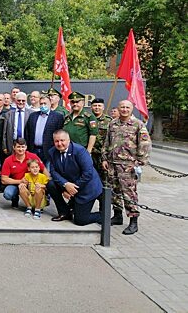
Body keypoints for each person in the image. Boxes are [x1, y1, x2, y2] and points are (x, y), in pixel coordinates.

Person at [102, 100, 151, 235]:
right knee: (114, 192)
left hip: (128, 166)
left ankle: (133, 222)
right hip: (112, 164)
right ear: (118, 108)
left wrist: (139, 163)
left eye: (127, 107)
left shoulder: (138, 124)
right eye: (122, 107)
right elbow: (107, 142)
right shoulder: (113, 123)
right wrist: (105, 158)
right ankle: (117, 216)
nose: (124, 109)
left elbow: (145, 145)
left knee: (129, 193)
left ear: (132, 109)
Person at [47, 130, 102, 225]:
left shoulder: (80, 151)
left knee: (80, 220)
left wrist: (71, 190)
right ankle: (64, 212)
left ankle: (102, 216)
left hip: (86, 188)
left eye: (62, 140)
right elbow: (53, 172)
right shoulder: (52, 152)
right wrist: (65, 184)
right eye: (56, 141)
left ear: (68, 140)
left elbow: (87, 174)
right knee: (51, 184)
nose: (59, 144)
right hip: (69, 183)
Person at [1, 138, 48, 209]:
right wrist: (20, 181)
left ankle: (36, 205)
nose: (21, 149)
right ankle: (15, 199)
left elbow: (44, 169)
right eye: (18, 147)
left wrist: (47, 183)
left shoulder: (33, 156)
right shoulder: (8, 160)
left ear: (26, 147)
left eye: (23, 147)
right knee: (8, 194)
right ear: (14, 147)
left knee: (41, 188)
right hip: (16, 183)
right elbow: (4, 180)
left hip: (32, 183)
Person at [24, 95, 64, 166]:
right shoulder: (33, 115)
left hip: (49, 151)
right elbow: (27, 132)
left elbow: (59, 134)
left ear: (50, 103)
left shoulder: (58, 117)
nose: (43, 105)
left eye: (45, 103)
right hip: (34, 150)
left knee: (48, 173)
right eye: (41, 103)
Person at [2, 92, 32, 156]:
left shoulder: (31, 114)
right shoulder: (8, 114)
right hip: (12, 144)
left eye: (23, 100)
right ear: (15, 101)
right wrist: (4, 146)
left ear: (26, 101)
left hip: (26, 145)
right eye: (19, 100)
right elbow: (4, 132)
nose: (21, 102)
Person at [90, 98, 112, 182]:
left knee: (103, 178)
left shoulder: (109, 121)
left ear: (103, 107)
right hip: (90, 153)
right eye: (95, 106)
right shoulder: (87, 119)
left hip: (102, 154)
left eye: (99, 106)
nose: (97, 107)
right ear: (91, 107)